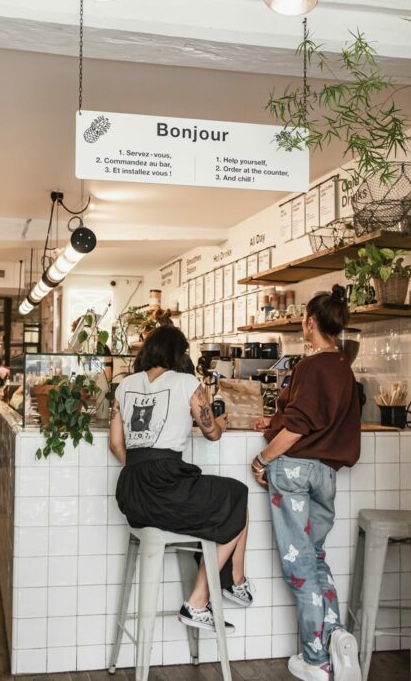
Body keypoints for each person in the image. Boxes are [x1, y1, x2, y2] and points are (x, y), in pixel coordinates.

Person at [109, 325, 254, 633]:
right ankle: (211, 594)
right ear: (179, 354)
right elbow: (211, 433)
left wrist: (142, 468)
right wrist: (221, 424)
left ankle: (230, 582)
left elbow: (115, 445)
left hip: (131, 491)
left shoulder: (124, 386)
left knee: (226, 497)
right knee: (237, 494)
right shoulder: (187, 382)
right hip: (167, 485)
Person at [251, 285, 361, 681]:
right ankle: (336, 641)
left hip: (295, 471)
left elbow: (300, 426)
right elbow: (319, 419)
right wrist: (275, 422)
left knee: (299, 566)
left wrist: (263, 457)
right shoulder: (344, 369)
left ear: (311, 323)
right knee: (314, 558)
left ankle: (316, 659)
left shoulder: (310, 367)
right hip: (326, 475)